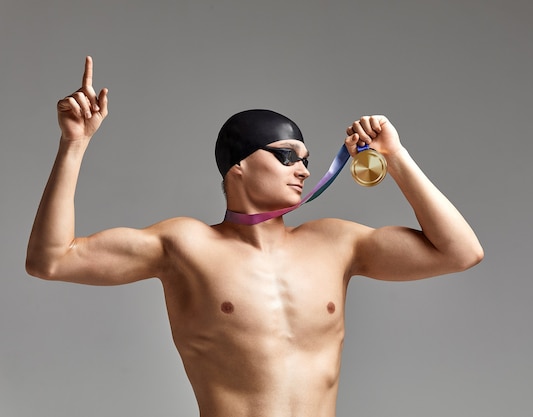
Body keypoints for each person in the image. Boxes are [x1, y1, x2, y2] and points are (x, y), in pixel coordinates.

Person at [26, 56, 483, 417]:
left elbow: (461, 252)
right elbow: (51, 260)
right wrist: (74, 144)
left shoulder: (336, 243)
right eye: (287, 155)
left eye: (306, 159)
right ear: (238, 166)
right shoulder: (185, 246)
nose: (303, 169)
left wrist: (395, 156)